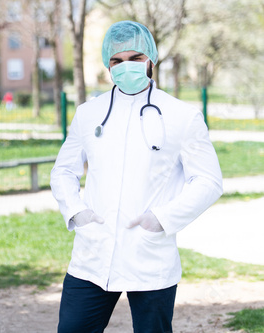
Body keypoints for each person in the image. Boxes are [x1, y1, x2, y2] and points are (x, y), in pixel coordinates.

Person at [50, 20, 223, 333]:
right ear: (108, 65)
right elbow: (63, 171)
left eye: (135, 58)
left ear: (151, 60)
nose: (125, 66)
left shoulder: (182, 116)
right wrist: (77, 211)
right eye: (116, 60)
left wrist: (162, 218)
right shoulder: (89, 113)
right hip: (92, 256)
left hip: (150, 257)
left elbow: (209, 182)